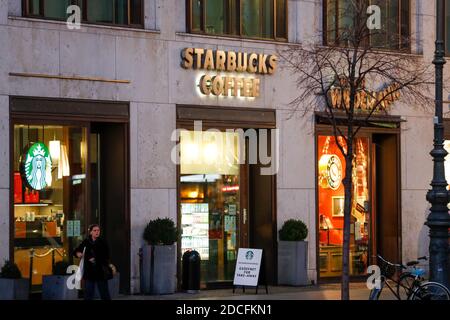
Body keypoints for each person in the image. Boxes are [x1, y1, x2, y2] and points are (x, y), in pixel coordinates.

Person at [73, 224, 112, 300]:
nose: (97, 232)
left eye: (98, 230)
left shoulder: (103, 242)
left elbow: (106, 256)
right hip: (89, 272)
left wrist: (95, 259)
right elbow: (76, 250)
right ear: (90, 232)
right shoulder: (86, 242)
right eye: (95, 230)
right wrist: (77, 253)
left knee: (104, 293)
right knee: (88, 294)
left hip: (100, 271)